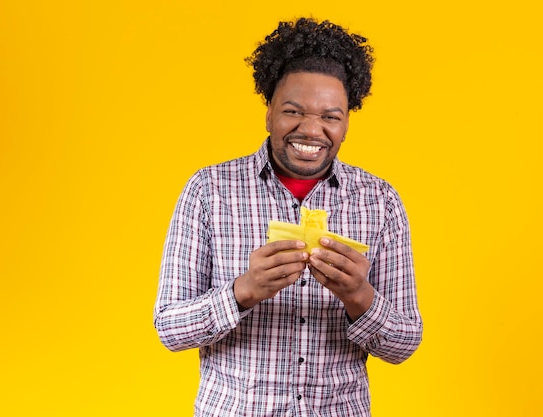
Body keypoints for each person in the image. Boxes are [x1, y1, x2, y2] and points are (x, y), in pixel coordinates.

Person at [153, 17, 422, 417]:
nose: (311, 130)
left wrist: (357, 296)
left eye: (330, 116)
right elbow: (170, 329)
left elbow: (404, 345)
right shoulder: (208, 190)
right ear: (269, 113)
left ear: (347, 121)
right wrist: (243, 290)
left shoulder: (380, 202)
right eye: (293, 111)